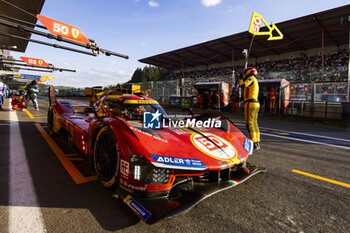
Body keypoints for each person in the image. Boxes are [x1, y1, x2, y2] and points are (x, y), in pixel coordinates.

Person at [240, 67, 260, 150]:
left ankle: (253, 142)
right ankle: (257, 141)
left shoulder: (251, 78)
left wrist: (241, 78)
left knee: (249, 124)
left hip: (250, 103)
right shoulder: (255, 80)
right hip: (255, 102)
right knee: (254, 123)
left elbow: (243, 85)